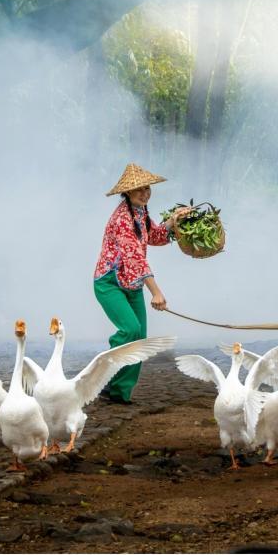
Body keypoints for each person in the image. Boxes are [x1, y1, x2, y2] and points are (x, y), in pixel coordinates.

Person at [93, 163, 191, 404]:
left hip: (132, 284)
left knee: (140, 339)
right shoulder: (122, 219)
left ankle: (118, 393)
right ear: (126, 192)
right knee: (129, 330)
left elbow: (155, 236)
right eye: (139, 189)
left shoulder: (141, 212)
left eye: (147, 188)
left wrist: (174, 221)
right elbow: (135, 258)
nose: (145, 193)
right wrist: (156, 293)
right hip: (110, 283)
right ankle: (104, 371)